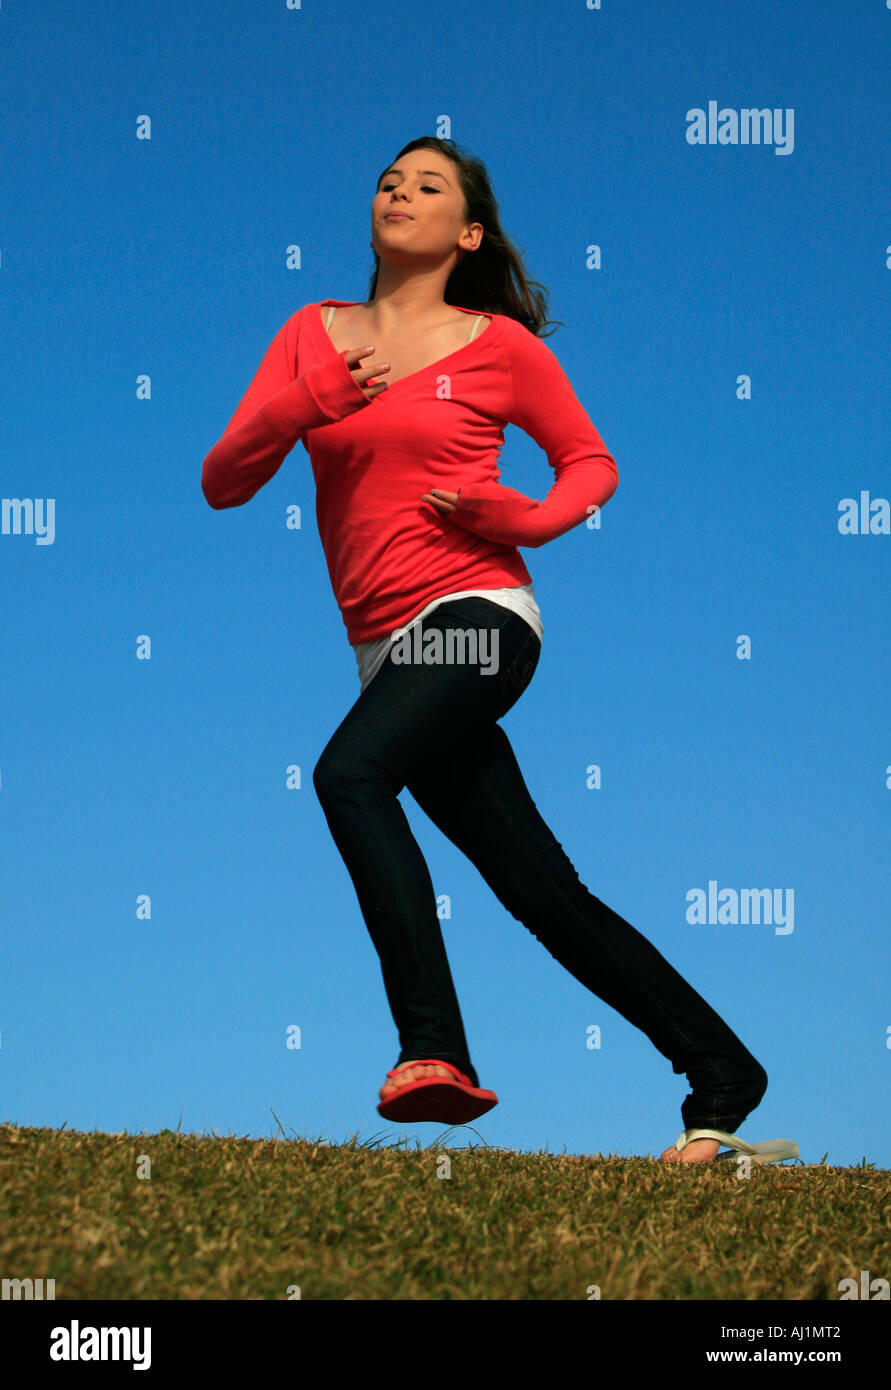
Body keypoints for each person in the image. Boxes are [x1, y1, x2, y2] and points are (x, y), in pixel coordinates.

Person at [201, 135, 768, 1164]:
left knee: (349, 772)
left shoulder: (501, 345)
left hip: (479, 612)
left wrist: (533, 516)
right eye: (387, 179)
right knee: (541, 892)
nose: (397, 192)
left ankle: (434, 1051)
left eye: (427, 186)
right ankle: (723, 1069)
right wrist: (300, 406)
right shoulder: (312, 336)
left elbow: (591, 462)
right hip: (386, 650)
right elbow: (223, 478)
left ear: (467, 233)